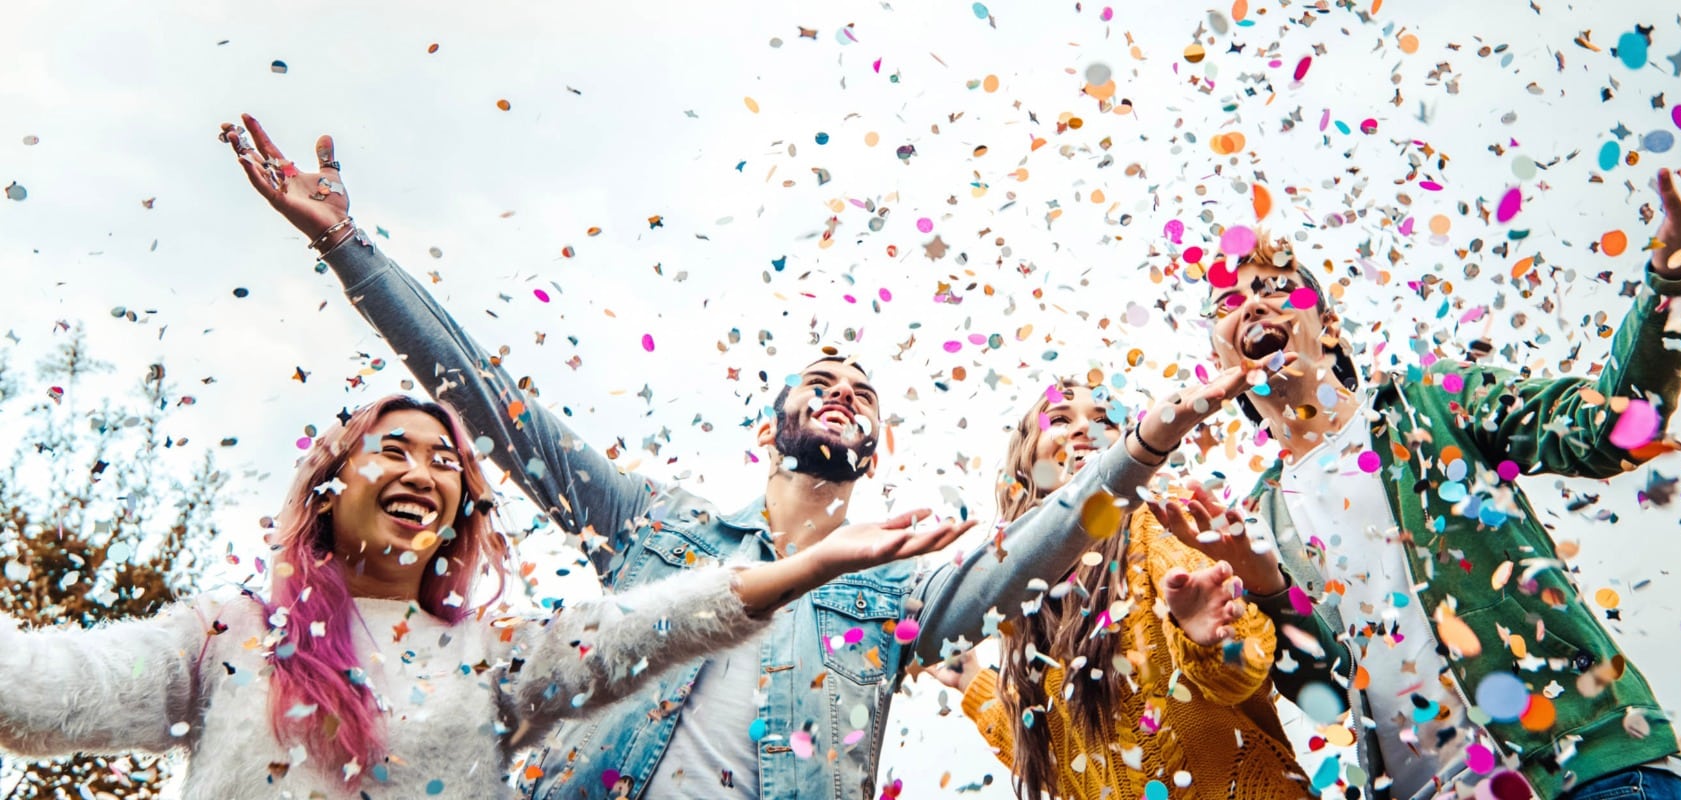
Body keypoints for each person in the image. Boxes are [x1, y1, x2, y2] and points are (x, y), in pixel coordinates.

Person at [217, 114, 1251, 800]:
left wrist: (1146, 439)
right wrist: (350, 250)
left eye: (865, 393)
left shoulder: (891, 593)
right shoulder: (649, 527)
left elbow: (1030, 550)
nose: (843, 389)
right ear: (774, 425)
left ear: (877, 445)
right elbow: (498, 409)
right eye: (822, 378)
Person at [0, 395, 967, 799]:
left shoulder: (492, 654)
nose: (423, 471)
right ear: (331, 483)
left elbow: (638, 629)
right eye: (393, 448)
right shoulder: (222, 636)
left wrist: (806, 569)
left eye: (446, 461)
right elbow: (47, 688)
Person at [1191, 122, 1681, 799]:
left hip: (1585, 772)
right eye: (1229, 301)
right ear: (1218, 361)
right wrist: (1265, 588)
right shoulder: (1261, 519)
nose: (1253, 300)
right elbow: (1324, 698)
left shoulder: (1434, 403)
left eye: (1278, 284)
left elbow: (1607, 429)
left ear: (1330, 326)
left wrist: (1675, 274)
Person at [933, 378, 1317, 799]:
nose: (1084, 429)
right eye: (1060, 418)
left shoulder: (1157, 519)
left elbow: (1242, 672)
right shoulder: (1028, 606)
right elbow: (1064, 763)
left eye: (1105, 421)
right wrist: (970, 680)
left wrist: (1209, 636)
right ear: (1026, 461)